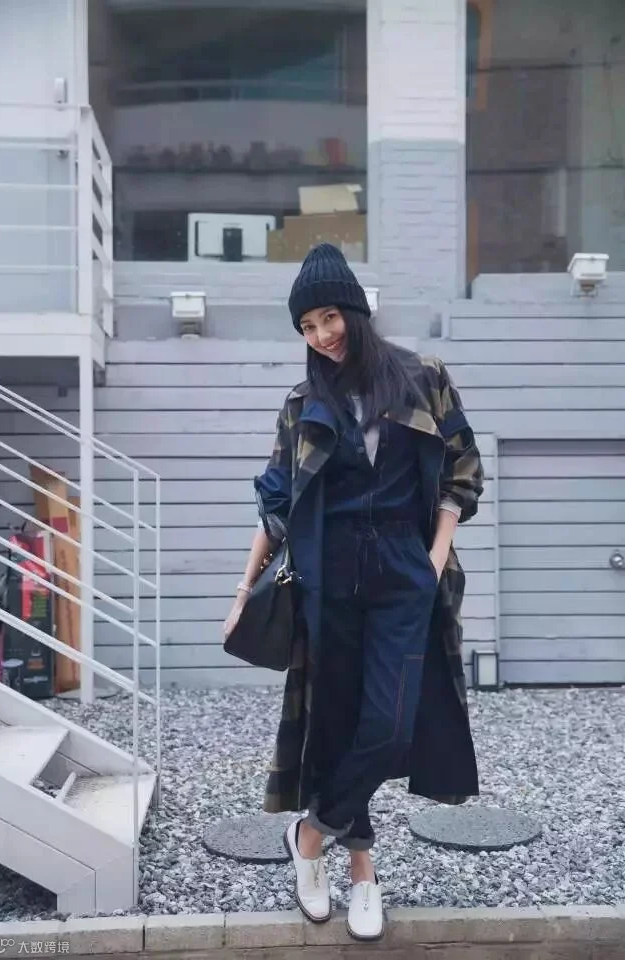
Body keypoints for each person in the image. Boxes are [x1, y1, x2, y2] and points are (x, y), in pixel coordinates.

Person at [223, 243, 484, 942]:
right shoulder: (303, 404)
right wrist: (244, 589)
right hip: (327, 575)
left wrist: (433, 559)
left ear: (355, 312)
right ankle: (361, 871)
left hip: (404, 569)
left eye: (329, 318)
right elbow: (276, 504)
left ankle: (310, 836)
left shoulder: (422, 376)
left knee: (392, 725)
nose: (321, 336)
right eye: (307, 326)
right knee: (336, 724)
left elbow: (462, 468)